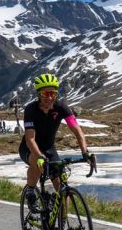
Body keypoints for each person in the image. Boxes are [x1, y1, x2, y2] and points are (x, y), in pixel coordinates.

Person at [19, 73, 91, 209]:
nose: (50, 97)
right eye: (46, 93)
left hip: (49, 148)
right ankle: (30, 191)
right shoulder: (31, 109)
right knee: (37, 162)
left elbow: (78, 131)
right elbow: (30, 138)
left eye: (53, 93)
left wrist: (85, 152)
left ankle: (62, 223)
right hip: (29, 148)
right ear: (38, 94)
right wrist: (39, 156)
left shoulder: (62, 106)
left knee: (62, 187)